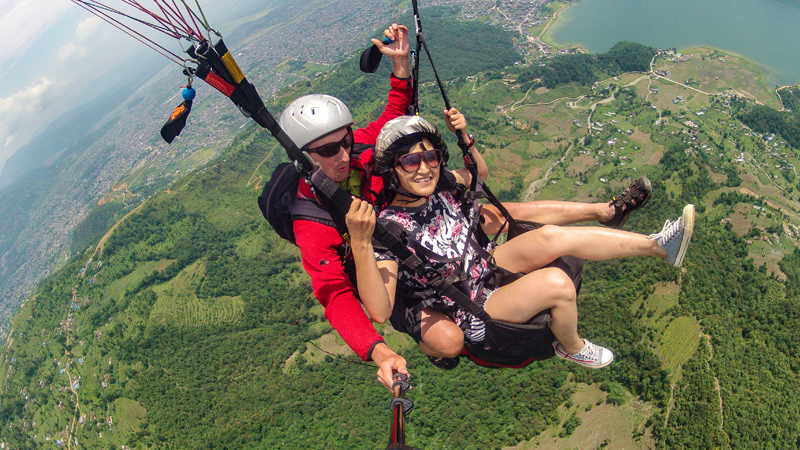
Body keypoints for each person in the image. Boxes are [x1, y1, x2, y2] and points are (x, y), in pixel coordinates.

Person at [345, 114, 695, 369]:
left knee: (551, 236)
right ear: (392, 169)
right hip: (472, 308)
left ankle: (658, 246)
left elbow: (478, 174)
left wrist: (464, 136)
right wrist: (361, 242)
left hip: (487, 266)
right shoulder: (388, 230)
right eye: (409, 160)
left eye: (430, 156)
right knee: (556, 284)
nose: (423, 168)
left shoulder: (441, 188)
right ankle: (572, 346)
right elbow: (378, 310)